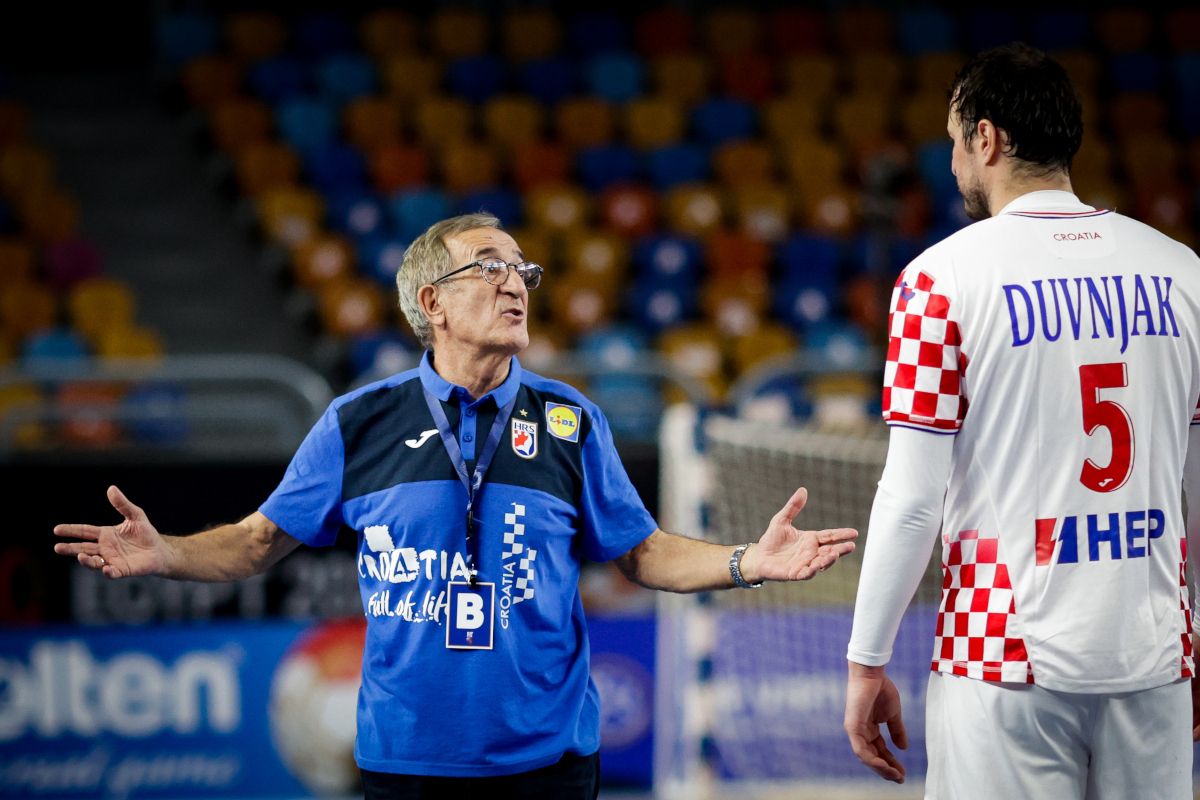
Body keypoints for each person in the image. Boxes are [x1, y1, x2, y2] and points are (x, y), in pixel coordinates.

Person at [54, 212, 858, 799]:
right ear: (431, 302)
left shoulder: (571, 421)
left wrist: (747, 561)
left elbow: (643, 552)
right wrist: (168, 553)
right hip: (406, 766)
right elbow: (259, 542)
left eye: (522, 269)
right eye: (489, 266)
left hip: (550, 765)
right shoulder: (358, 422)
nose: (516, 281)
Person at [842, 42, 1200, 800]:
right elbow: (1194, 495)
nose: (953, 165)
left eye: (953, 141)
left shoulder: (937, 282)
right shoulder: (1184, 272)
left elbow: (911, 501)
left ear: (987, 138)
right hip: (1155, 657)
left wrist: (866, 661)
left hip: (1002, 658)